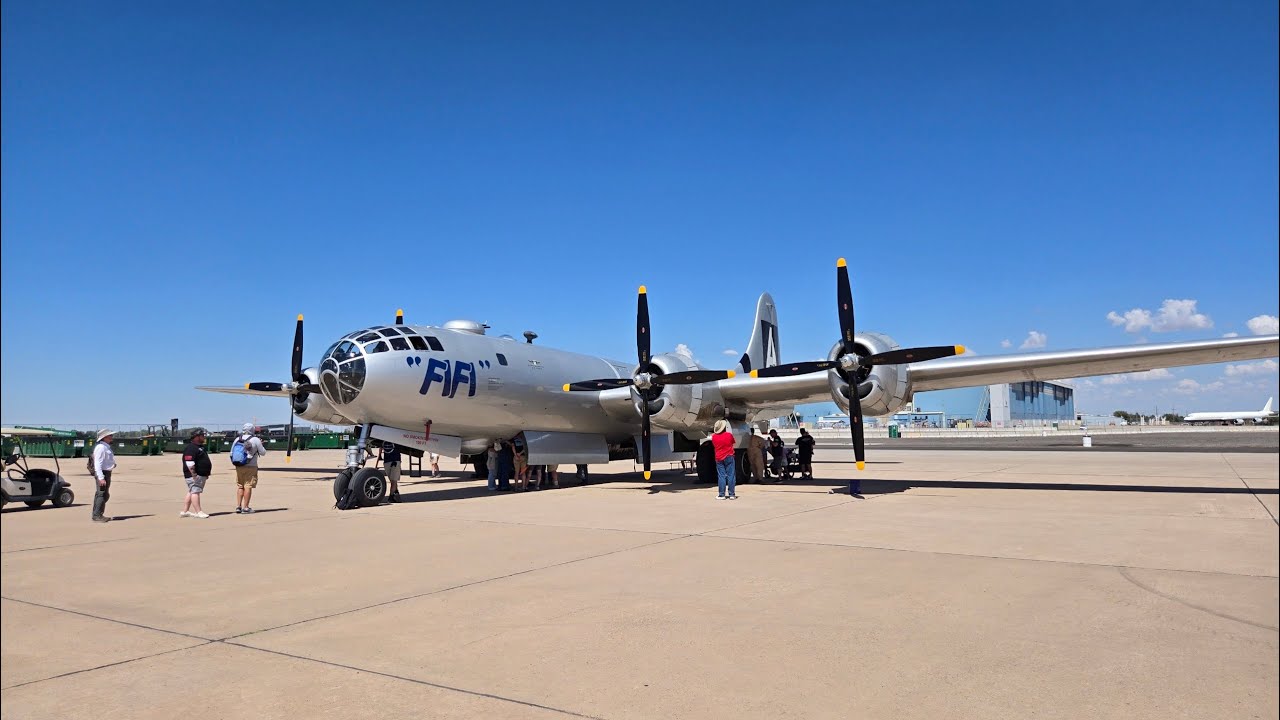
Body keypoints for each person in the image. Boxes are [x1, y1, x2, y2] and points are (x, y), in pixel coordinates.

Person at [235, 423, 268, 514]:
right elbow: (263, 453)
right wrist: (260, 444)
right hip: (251, 466)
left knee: (240, 486)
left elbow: (231, 453)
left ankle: (238, 506)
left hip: (239, 465)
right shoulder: (255, 439)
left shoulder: (238, 439)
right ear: (252, 430)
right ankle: (246, 507)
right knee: (248, 485)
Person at [181, 428, 212, 518]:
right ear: (197, 437)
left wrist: (205, 473)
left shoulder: (199, 447)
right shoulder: (191, 448)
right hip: (194, 475)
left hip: (200, 475)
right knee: (195, 492)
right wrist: (194, 475)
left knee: (191, 491)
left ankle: (185, 511)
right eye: (202, 435)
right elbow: (189, 462)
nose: (204, 437)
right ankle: (198, 512)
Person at [90, 428, 117, 522]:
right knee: (101, 494)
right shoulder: (101, 448)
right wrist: (101, 478)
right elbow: (98, 464)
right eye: (110, 435)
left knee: (104, 495)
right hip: (102, 473)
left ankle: (97, 513)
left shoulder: (106, 447)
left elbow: (106, 460)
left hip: (106, 473)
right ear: (104, 437)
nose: (111, 437)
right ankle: (97, 515)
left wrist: (112, 465)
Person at [711, 419, 737, 500]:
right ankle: (731, 494)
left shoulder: (714, 437)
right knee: (731, 475)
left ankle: (721, 494)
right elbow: (733, 442)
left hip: (719, 457)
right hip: (729, 456)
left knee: (721, 476)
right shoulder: (729, 435)